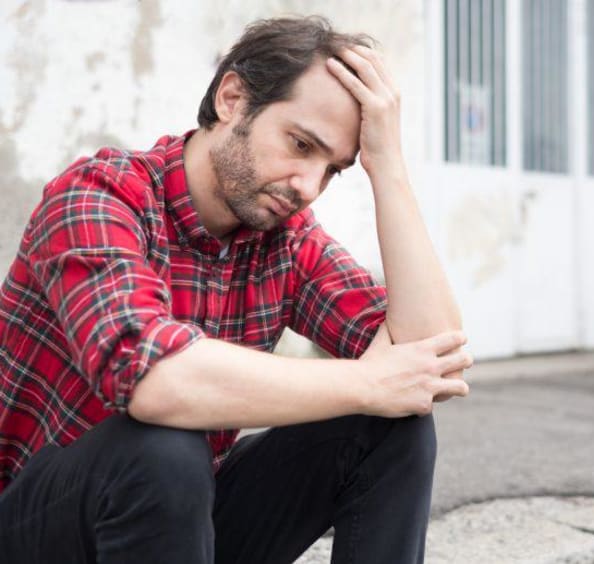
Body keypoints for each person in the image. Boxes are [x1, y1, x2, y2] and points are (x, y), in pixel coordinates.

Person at [0, 15, 471, 564]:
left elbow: (436, 363)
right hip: (38, 530)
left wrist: (386, 165)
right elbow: (151, 380)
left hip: (178, 522)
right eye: (300, 144)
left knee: (393, 426)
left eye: (332, 170)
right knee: (164, 445)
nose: (308, 187)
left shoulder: (285, 241)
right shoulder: (99, 196)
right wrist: (367, 380)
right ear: (232, 98)